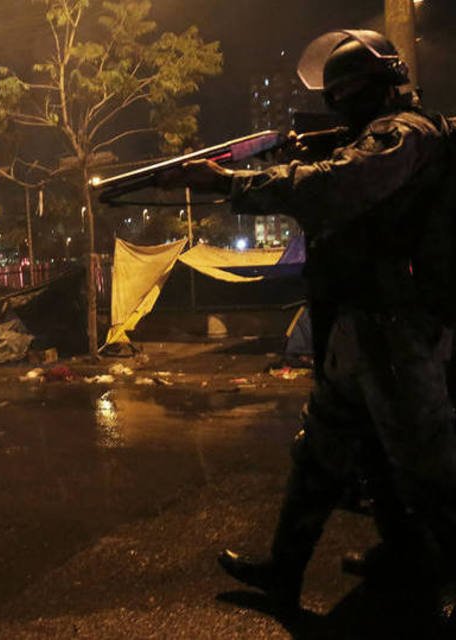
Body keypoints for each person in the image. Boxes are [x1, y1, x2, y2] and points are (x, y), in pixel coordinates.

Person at [162, 30, 456, 627]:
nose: (337, 106)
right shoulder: (377, 134)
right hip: (358, 323)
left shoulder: (403, 135)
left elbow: (332, 184)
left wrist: (230, 181)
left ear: (364, 90)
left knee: (426, 466)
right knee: (321, 453)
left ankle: (445, 578)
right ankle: (285, 569)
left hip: (394, 325)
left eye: (343, 94)